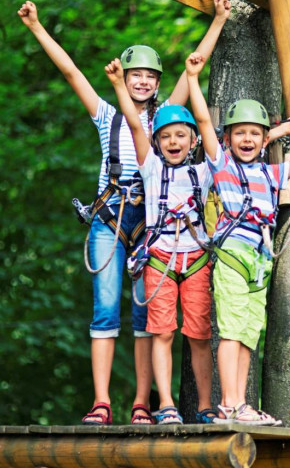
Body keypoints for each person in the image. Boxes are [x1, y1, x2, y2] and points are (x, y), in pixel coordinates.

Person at [17, 0, 230, 425]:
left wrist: (220, 19)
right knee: (105, 308)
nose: (143, 81)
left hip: (153, 226)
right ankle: (101, 401)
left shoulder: (169, 119)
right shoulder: (108, 116)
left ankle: (141, 402)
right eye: (136, 75)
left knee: (145, 318)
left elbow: (196, 66)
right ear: (125, 78)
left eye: (150, 76)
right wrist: (37, 27)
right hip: (110, 219)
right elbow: (71, 72)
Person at [188, 52, 290, 425]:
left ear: (265, 140)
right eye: (240, 133)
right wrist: (194, 79)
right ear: (227, 138)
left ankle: (240, 403)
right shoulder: (222, 164)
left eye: (255, 134)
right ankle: (229, 403)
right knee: (230, 328)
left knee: (248, 333)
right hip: (232, 254)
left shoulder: (272, 173)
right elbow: (201, 119)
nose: (247, 139)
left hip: (259, 261)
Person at [106, 57, 215, 425]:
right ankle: (166, 403)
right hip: (159, 260)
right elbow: (136, 126)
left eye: (181, 136)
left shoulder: (205, 171)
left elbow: (204, 123)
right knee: (162, 331)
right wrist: (121, 84)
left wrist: (195, 79)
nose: (173, 142)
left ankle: (204, 406)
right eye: (166, 136)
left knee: (200, 335)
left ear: (193, 141)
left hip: (196, 260)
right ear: (156, 143)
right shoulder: (150, 167)